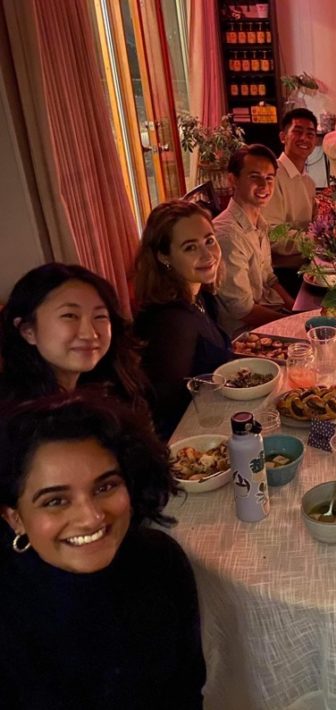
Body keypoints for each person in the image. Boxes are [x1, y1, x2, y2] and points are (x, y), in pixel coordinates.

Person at [0, 394, 205, 709]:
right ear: (14, 518)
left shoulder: (160, 561)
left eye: (105, 486)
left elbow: (187, 690)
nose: (92, 517)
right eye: (55, 501)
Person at [134, 200, 234, 439]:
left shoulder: (201, 297)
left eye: (209, 241)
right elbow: (167, 413)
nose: (207, 254)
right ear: (164, 256)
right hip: (194, 441)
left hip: (215, 418)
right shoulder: (171, 322)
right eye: (190, 247)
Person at [0, 263, 147, 415]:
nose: (90, 334)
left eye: (100, 316)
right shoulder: (17, 415)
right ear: (28, 331)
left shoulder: (109, 389)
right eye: (69, 316)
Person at [214, 144, 295, 335]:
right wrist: (294, 323)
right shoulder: (227, 235)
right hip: (245, 333)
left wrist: (296, 310)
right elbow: (243, 311)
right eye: (254, 177)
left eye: (269, 178)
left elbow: (269, 278)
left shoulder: (259, 222)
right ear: (233, 180)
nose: (264, 186)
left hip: (269, 311)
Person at [262, 108, 318, 296]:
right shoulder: (272, 177)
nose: (304, 138)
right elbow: (272, 235)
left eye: (310, 134)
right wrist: (316, 240)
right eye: (297, 131)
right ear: (283, 137)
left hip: (306, 264)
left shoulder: (308, 181)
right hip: (283, 274)